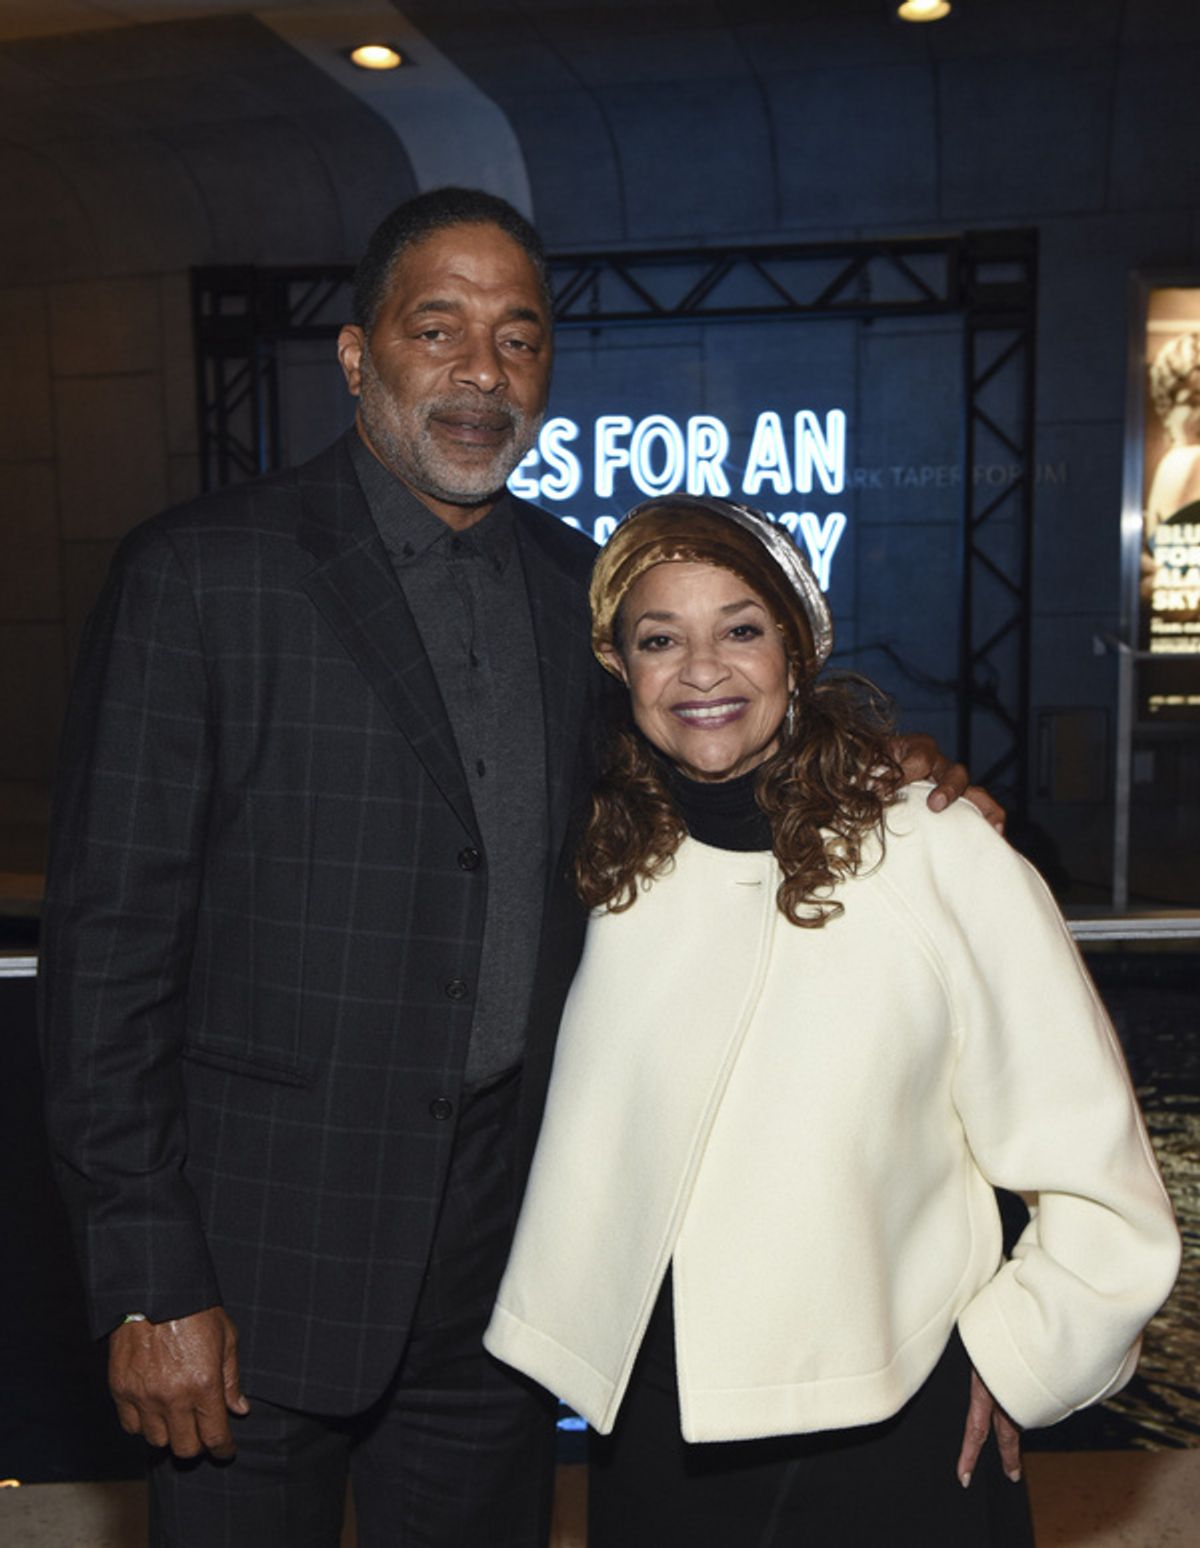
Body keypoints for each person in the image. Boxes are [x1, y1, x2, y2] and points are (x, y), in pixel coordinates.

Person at [38, 188, 992, 1548]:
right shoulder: (199, 579)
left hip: (501, 1299)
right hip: (248, 1293)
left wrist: (888, 766)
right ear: (360, 357)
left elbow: (709, 771)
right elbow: (106, 964)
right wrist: (147, 1282)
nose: (482, 370)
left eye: (520, 338)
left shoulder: (586, 594)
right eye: (439, 330)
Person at [484, 495, 1181, 1547]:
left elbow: (1095, 1165)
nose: (703, 669)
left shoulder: (934, 849)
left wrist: (1023, 1354)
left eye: (742, 629)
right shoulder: (604, 860)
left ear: (798, 650)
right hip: (661, 1439)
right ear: (621, 671)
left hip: (891, 1427)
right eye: (660, 638)